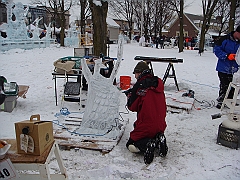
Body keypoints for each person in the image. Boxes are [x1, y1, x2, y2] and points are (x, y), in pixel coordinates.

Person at [125, 61, 168, 164]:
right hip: (160, 124)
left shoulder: (139, 85)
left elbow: (132, 107)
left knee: (130, 144)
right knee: (151, 130)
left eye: (135, 74)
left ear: (139, 73)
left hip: (147, 124)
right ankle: (158, 138)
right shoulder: (157, 82)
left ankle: (147, 144)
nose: (135, 77)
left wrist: (129, 97)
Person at [214, 25, 240, 109]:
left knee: (234, 86)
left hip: (235, 68)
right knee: (224, 85)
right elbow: (216, 49)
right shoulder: (225, 39)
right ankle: (221, 100)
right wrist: (226, 55)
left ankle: (231, 100)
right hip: (223, 67)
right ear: (237, 32)